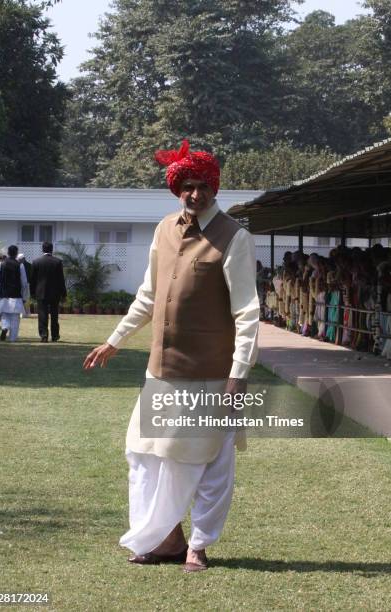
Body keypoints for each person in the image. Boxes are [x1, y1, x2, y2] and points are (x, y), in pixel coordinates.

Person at [83, 140, 260, 572]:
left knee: (211, 462)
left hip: (213, 374)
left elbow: (248, 311)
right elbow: (148, 294)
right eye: (187, 186)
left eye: (202, 186)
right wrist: (115, 339)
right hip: (161, 371)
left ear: (214, 189)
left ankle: (199, 545)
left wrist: (238, 374)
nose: (194, 194)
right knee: (144, 454)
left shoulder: (234, 237)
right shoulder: (164, 229)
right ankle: (164, 539)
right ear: (176, 188)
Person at [30, 241, 67, 342]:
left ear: (42, 249)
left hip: (41, 292)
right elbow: (61, 279)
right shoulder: (58, 262)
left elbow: (32, 280)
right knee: (54, 315)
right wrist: (64, 294)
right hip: (55, 293)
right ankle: (55, 335)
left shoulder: (36, 262)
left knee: (42, 314)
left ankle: (44, 335)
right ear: (52, 249)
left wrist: (32, 293)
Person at [0, 245, 28, 341]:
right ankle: (12, 338)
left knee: (5, 315)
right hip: (16, 295)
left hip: (3, 294)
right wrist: (24, 297)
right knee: (15, 318)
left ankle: (4, 327)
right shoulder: (20, 265)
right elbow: (24, 283)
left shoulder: (1, 264)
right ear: (16, 253)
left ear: (8, 253)